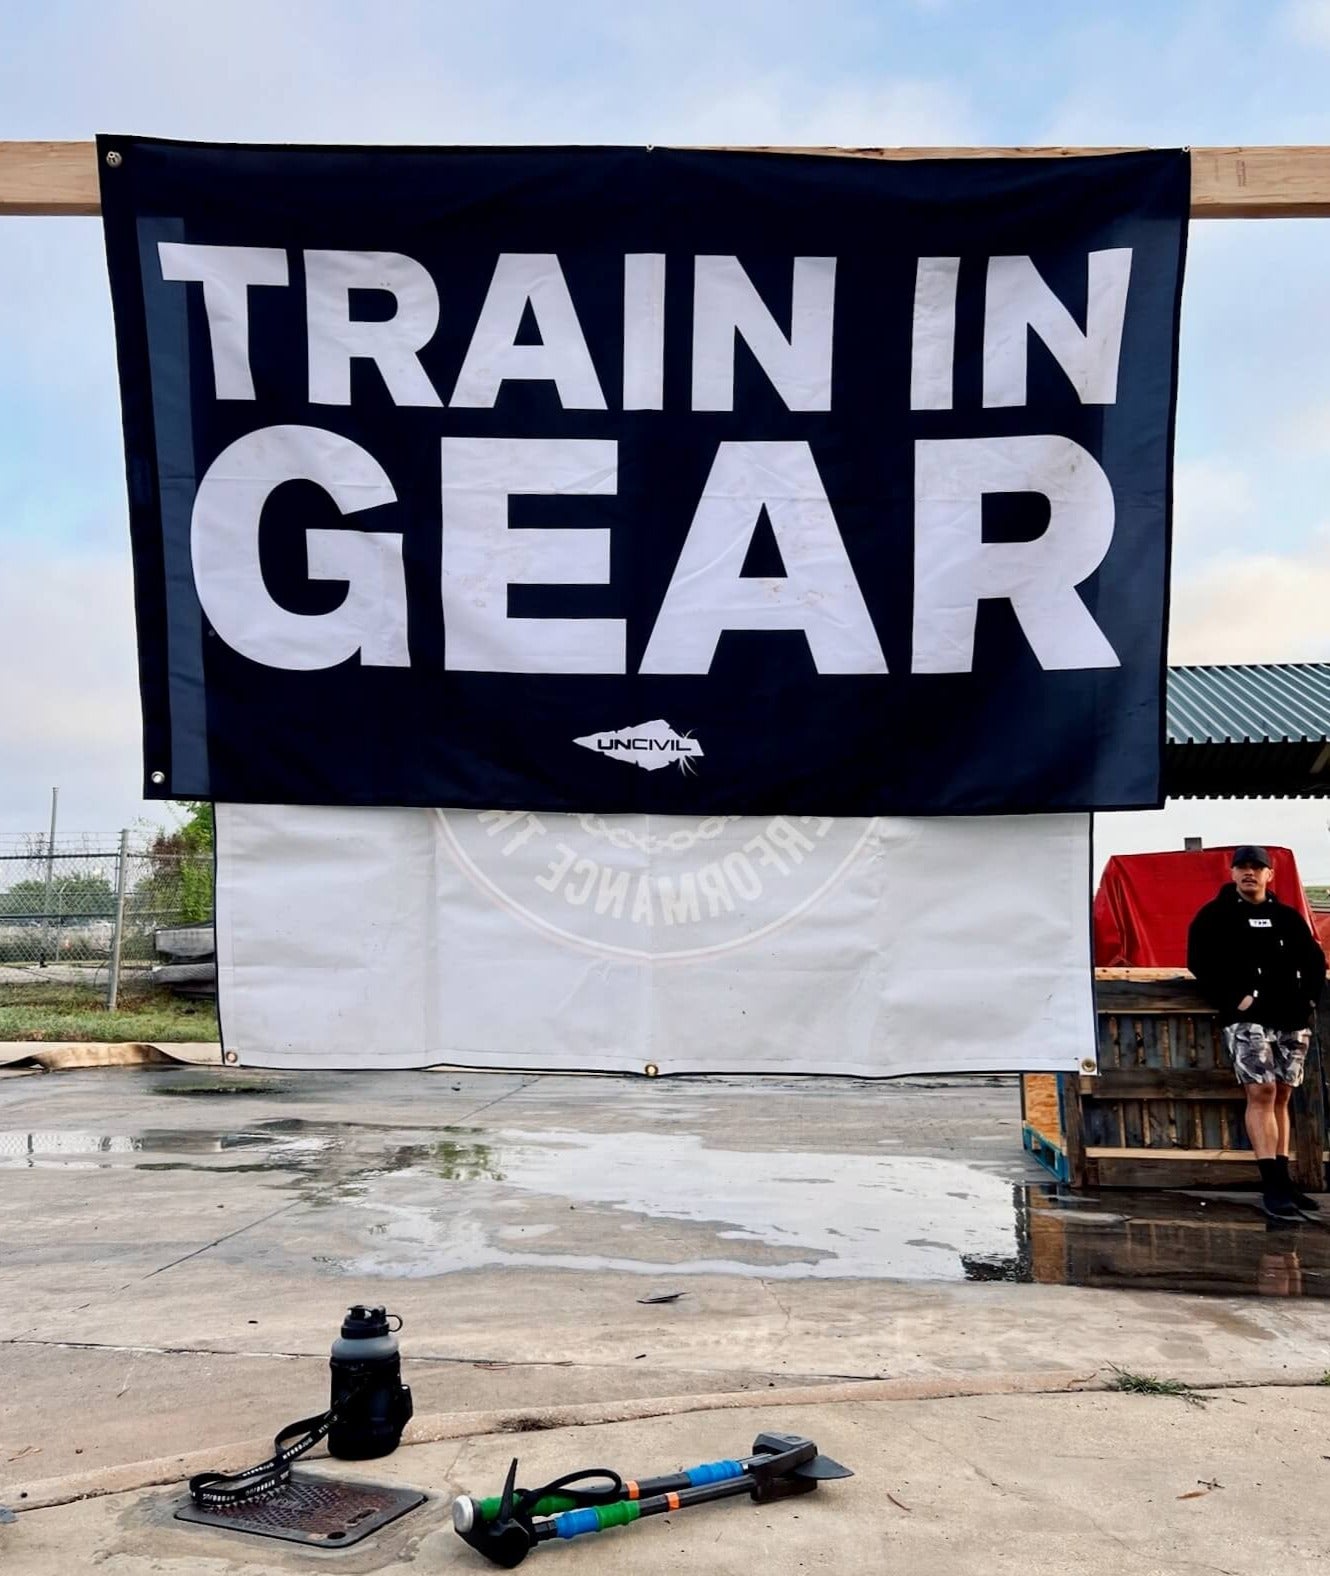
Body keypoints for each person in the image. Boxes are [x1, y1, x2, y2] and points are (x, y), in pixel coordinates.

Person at [1187, 846, 1326, 1220]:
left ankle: (1285, 1180)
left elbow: (1314, 959)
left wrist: (1309, 1000)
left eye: (1257, 867)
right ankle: (1272, 1184)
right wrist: (1237, 999)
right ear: (1232, 874)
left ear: (1270, 875)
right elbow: (1198, 962)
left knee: (1282, 1094)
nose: (1250, 873)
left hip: (1291, 1017)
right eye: (1242, 867)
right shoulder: (1214, 916)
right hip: (1248, 1018)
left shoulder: (1286, 917)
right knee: (1260, 1090)